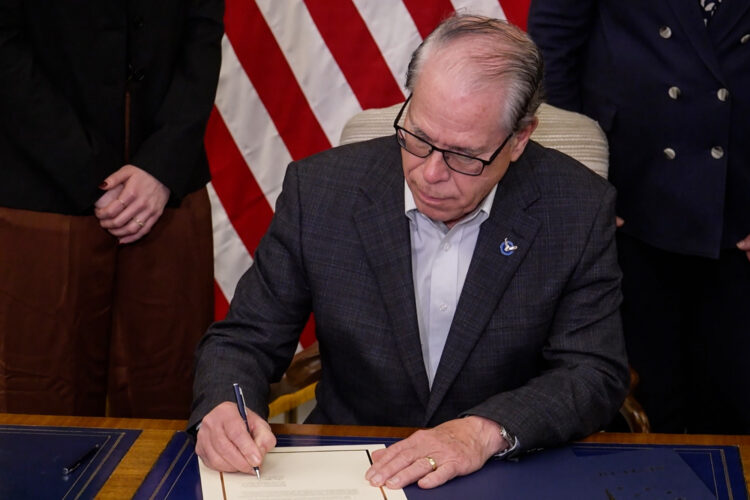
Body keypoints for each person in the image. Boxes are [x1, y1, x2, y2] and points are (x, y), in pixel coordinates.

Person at [191, 14, 629, 489]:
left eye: (464, 155)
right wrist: (224, 407)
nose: (430, 174)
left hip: (502, 469)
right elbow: (244, 339)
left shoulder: (577, 206)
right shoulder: (320, 191)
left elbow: (592, 371)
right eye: (418, 138)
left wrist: (484, 432)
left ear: (519, 139)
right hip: (351, 465)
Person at [528, 1, 750, 433]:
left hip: (741, 202)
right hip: (630, 198)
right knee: (648, 399)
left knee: (734, 399)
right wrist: (582, 180)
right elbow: (553, 45)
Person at [0, 1, 224, 418]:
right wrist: (89, 174)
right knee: (40, 400)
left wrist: (160, 166)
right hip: (41, 188)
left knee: (171, 391)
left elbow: (203, 35)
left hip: (168, 189)